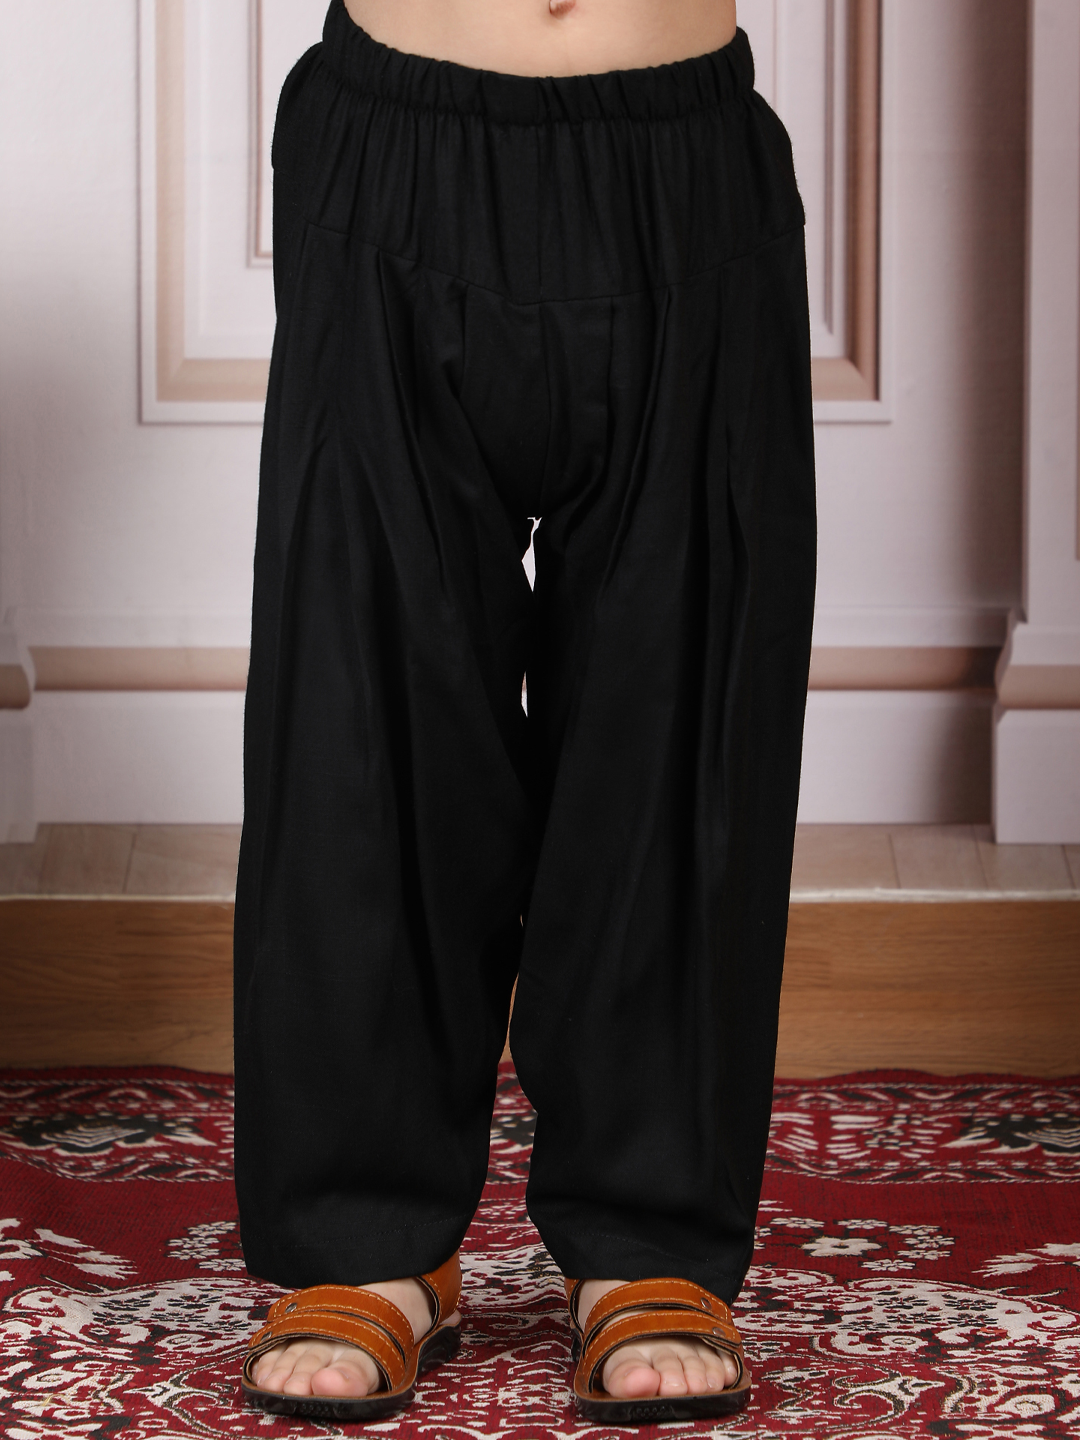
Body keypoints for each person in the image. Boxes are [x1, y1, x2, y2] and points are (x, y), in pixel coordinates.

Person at [233, 0, 816, 1422]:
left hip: (682, 156)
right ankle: (367, 1242)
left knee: (678, 709)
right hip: (395, 145)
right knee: (365, 710)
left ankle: (648, 1237)